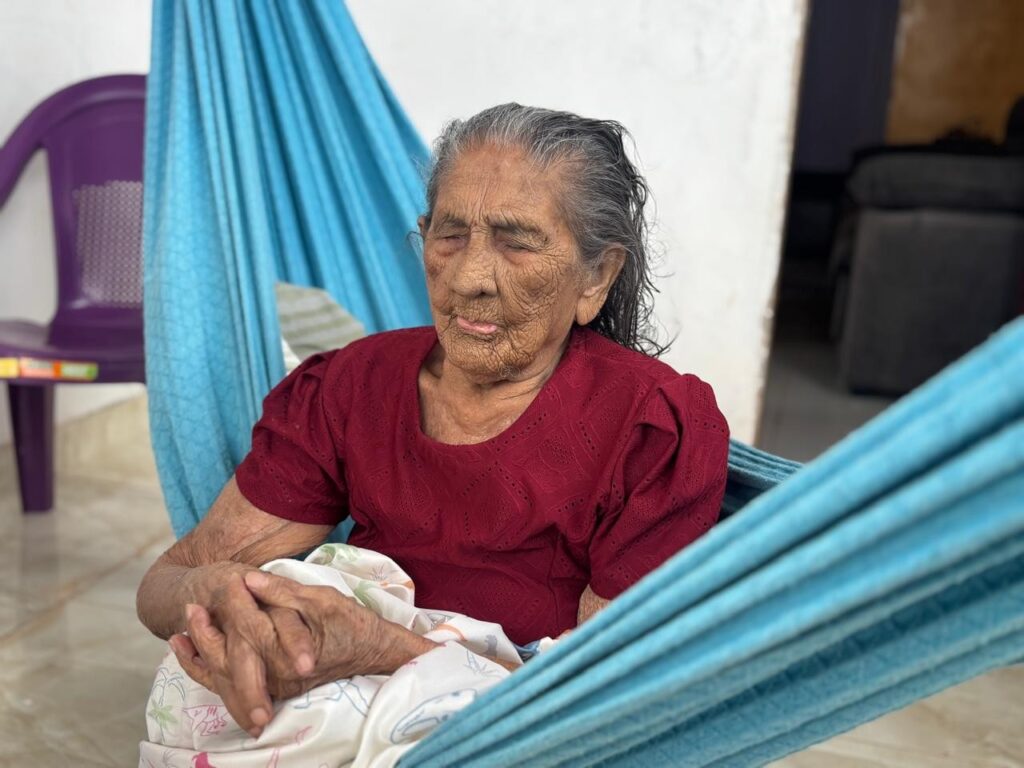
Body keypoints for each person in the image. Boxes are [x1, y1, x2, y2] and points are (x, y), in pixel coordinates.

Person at [136, 103, 730, 739]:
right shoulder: (347, 389)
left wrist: (380, 650)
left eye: (518, 243)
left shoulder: (653, 429)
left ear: (596, 278)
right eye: (449, 236)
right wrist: (219, 590)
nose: (470, 278)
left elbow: (608, 699)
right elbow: (163, 584)